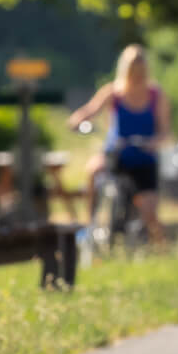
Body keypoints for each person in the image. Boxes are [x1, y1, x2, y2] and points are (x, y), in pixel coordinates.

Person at [68, 44, 170, 245]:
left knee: (150, 213)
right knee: (93, 169)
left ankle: (162, 250)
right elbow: (87, 112)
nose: (137, 77)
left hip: (144, 158)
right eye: (134, 72)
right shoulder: (113, 92)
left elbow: (165, 131)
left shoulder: (155, 94)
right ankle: (90, 224)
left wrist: (153, 142)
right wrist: (77, 121)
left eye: (141, 72)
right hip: (117, 154)